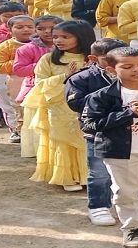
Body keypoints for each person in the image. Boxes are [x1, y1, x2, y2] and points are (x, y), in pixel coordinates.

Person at [83, 47, 138, 247]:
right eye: (127, 66)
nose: (136, 70)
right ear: (111, 69)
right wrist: (127, 113)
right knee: (125, 191)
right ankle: (132, 228)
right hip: (119, 151)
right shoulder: (101, 96)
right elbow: (90, 124)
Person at [65, 38, 127, 227]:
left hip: (129, 129)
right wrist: (109, 96)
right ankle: (98, 206)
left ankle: (130, 205)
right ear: (93, 58)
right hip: (98, 130)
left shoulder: (135, 74)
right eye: (110, 59)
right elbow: (75, 102)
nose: (117, 63)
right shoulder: (81, 78)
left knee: (130, 170)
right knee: (99, 171)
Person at [26, 20, 95, 191]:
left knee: (86, 139)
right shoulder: (48, 59)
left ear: (81, 37)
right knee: (63, 140)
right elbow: (40, 84)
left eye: (65, 36)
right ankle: (68, 177)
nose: (58, 40)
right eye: (55, 37)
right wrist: (65, 76)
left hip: (86, 105)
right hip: (58, 107)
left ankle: (87, 175)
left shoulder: (93, 58)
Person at [13, 15, 61, 157]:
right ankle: (40, 150)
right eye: (41, 28)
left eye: (51, 28)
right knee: (37, 121)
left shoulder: (68, 46)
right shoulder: (27, 49)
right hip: (35, 86)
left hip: (61, 86)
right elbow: (19, 70)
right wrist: (44, 64)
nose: (47, 32)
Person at [0, 15, 35, 142]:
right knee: (12, 107)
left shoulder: (42, 45)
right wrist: (21, 62)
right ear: (10, 31)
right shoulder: (3, 47)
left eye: (29, 27)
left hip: (35, 79)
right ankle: (16, 130)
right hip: (11, 79)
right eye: (19, 27)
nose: (25, 30)